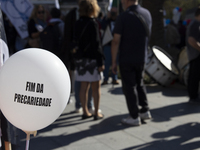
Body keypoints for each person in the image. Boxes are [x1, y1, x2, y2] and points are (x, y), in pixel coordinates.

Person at [111, 0, 152, 126]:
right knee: (140, 83)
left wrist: (113, 62)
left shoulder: (123, 16)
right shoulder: (147, 13)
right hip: (141, 56)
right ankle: (144, 110)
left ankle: (134, 116)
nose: (122, 2)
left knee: (129, 87)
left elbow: (116, 40)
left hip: (127, 57)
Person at [73, 0, 105, 120]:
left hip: (81, 59)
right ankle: (96, 112)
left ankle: (85, 111)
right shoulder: (93, 23)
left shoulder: (77, 23)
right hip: (92, 59)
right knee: (96, 87)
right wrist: (101, 61)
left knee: (83, 87)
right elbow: (97, 44)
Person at [101, 7, 119, 85]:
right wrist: (107, 17)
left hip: (116, 44)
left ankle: (114, 78)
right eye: (112, 12)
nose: (113, 14)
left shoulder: (119, 21)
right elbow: (102, 27)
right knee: (107, 62)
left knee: (115, 62)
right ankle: (105, 78)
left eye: (114, 13)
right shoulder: (106, 21)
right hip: (108, 44)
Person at [186, 7, 200, 103]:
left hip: (194, 54)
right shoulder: (195, 24)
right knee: (194, 76)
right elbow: (191, 40)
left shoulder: (195, 24)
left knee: (194, 76)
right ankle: (193, 97)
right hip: (196, 55)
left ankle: (193, 96)